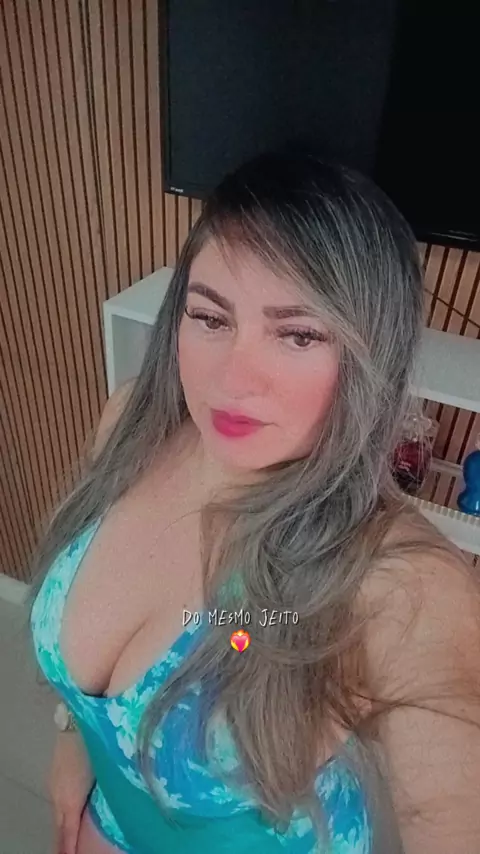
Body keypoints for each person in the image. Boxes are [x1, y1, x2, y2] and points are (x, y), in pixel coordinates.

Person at [27, 147, 480, 854]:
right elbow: (95, 685)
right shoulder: (130, 428)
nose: (233, 380)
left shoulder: (401, 582)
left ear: (371, 354)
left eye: (297, 333)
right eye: (211, 318)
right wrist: (75, 739)